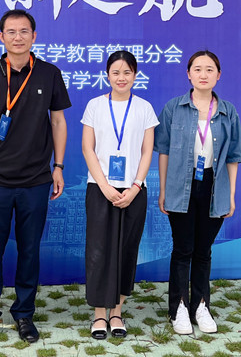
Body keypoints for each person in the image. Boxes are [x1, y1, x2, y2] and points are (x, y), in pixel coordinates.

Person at [0, 9, 71, 347]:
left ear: (34, 36)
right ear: (1, 37)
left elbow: (58, 121)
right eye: (11, 32)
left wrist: (58, 166)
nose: (18, 37)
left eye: (24, 31)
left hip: (36, 179)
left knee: (29, 251)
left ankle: (24, 313)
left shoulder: (49, 74)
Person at [154, 50, 241, 335]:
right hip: (180, 185)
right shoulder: (174, 108)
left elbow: (233, 156)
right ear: (188, 74)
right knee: (183, 249)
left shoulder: (228, 111)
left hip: (214, 186)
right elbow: (164, 151)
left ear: (218, 75)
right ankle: (179, 308)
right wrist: (163, 189)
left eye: (209, 69)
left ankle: (201, 306)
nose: (203, 74)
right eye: (197, 69)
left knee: (204, 251)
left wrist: (230, 194)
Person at [81, 50, 158, 340]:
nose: (121, 78)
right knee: (99, 252)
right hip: (100, 189)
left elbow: (147, 151)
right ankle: (100, 314)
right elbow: (88, 148)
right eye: (116, 72)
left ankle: (117, 312)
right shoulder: (95, 105)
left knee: (127, 250)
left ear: (135, 75)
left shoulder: (144, 108)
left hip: (134, 191)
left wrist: (136, 186)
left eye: (127, 72)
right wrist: (104, 186)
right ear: (107, 75)